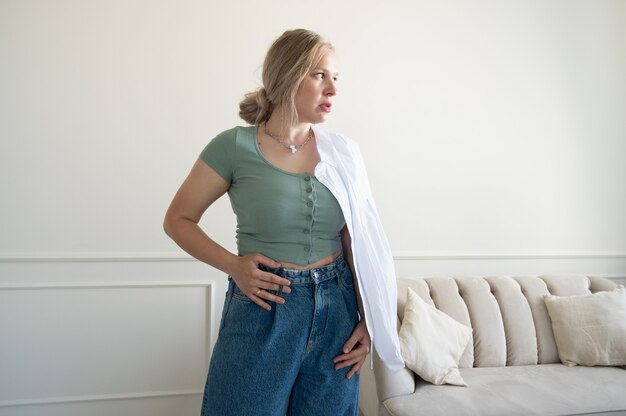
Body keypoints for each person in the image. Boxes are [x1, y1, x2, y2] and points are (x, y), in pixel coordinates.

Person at [164, 28, 403, 416]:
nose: (333, 90)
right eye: (320, 75)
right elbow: (178, 219)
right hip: (265, 306)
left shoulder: (342, 154)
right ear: (289, 75)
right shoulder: (233, 146)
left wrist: (368, 320)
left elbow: (354, 240)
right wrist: (233, 265)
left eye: (336, 78)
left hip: (337, 311)